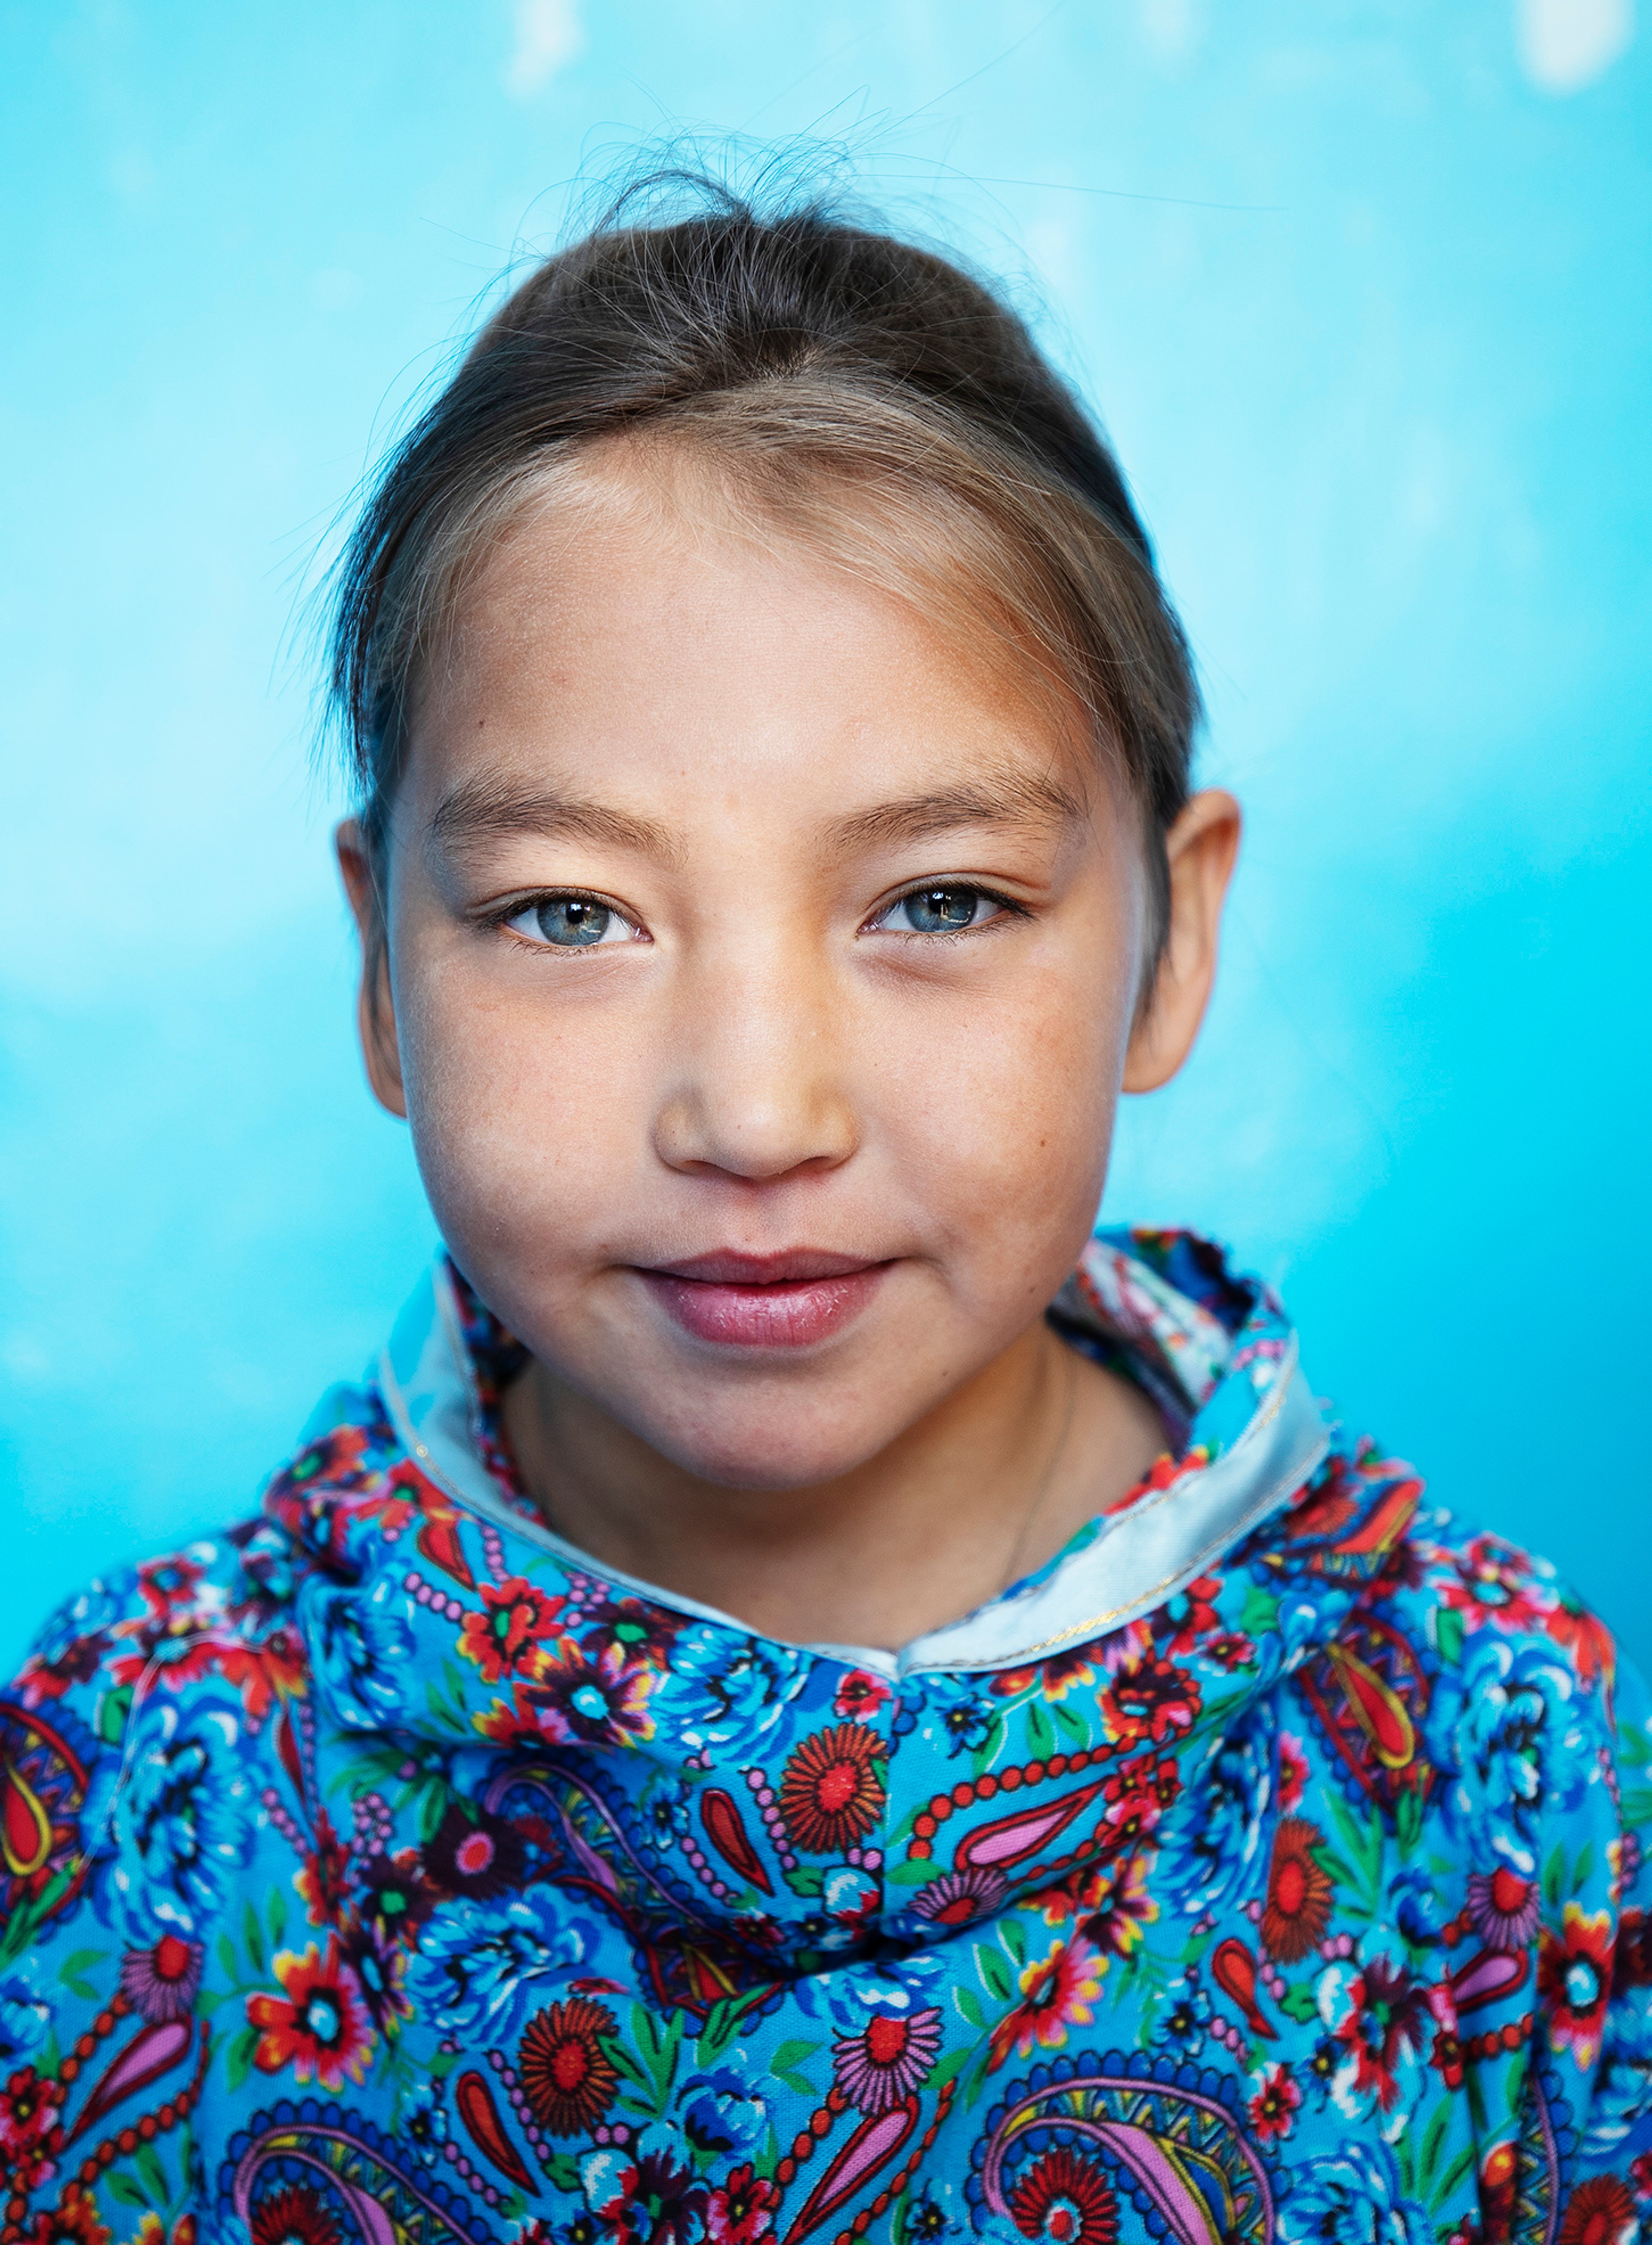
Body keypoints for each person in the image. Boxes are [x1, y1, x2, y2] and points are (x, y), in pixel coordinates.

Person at [3, 188, 1647, 2245]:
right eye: (569, 915)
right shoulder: (123, 1786)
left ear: (1169, 939)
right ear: (381, 973)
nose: (759, 1115)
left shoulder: (1499, 1774)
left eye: (937, 903)